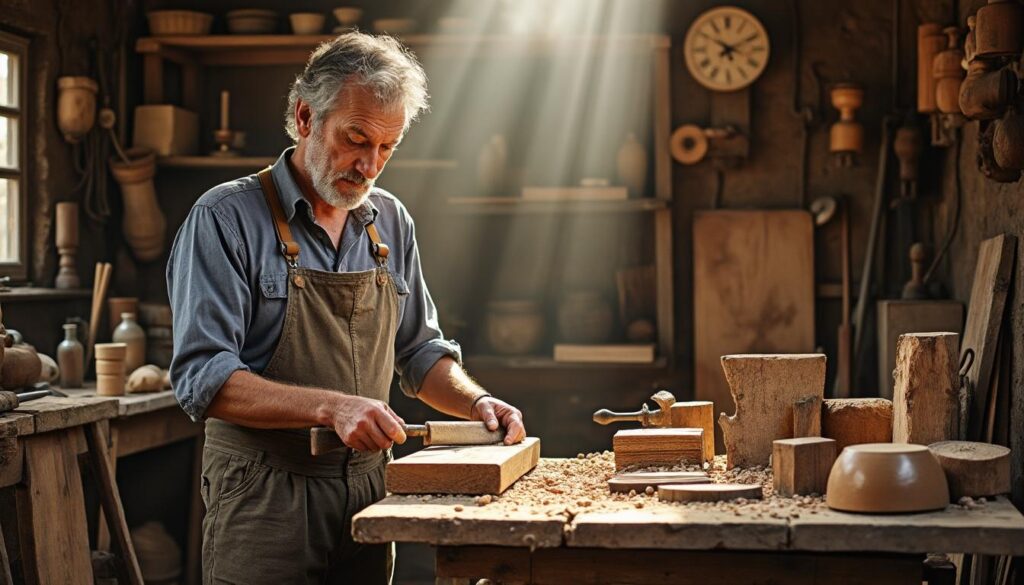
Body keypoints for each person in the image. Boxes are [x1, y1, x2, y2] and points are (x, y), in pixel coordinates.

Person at [167, 32, 526, 585]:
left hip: (367, 488)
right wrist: (335, 408)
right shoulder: (225, 219)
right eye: (356, 139)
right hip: (265, 491)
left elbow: (420, 353)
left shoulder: (389, 221)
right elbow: (203, 378)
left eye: (387, 148)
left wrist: (476, 401)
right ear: (306, 117)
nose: (369, 165)